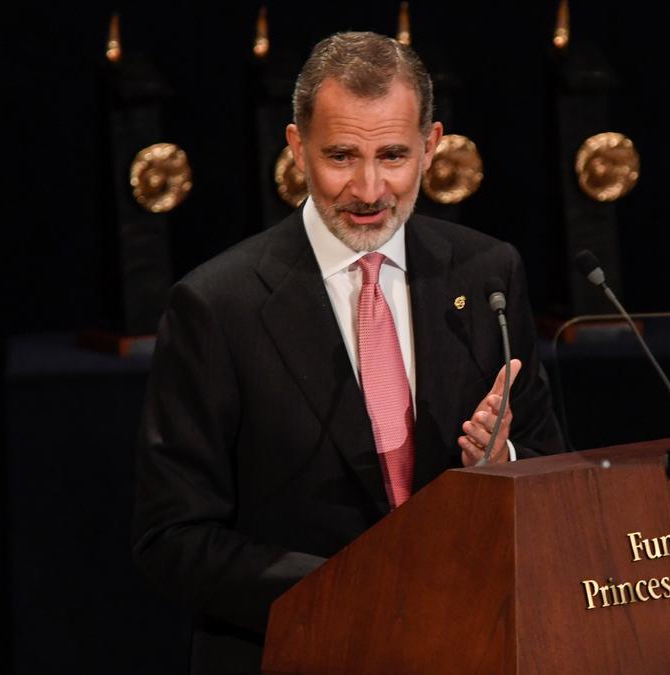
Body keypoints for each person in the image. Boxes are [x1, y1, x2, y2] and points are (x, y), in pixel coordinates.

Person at [131, 31, 565, 673]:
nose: (368, 189)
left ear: (432, 146)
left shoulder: (487, 274)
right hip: (295, 650)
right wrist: (362, 589)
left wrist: (504, 462)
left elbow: (551, 470)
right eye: (340, 156)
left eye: (393, 155)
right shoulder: (217, 306)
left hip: (470, 646)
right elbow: (173, 539)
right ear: (297, 149)